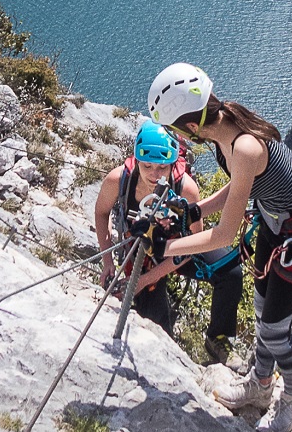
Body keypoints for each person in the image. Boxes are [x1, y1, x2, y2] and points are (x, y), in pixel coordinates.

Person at [149, 61, 292, 432]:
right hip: (276, 224)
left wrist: (168, 246)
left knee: (277, 330)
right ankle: (261, 385)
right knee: (264, 312)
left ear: (190, 126)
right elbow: (237, 189)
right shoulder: (226, 127)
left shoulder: (244, 146)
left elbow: (224, 237)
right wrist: (197, 209)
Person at [93, 121, 243, 352]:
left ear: (172, 164)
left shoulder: (185, 188)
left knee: (230, 271)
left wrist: (145, 281)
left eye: (162, 168)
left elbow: (195, 244)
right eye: (147, 166)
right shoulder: (118, 180)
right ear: (137, 162)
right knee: (156, 328)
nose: (154, 174)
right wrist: (108, 262)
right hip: (141, 252)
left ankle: (218, 338)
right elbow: (102, 212)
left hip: (178, 250)